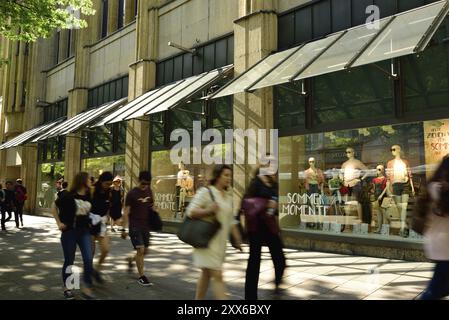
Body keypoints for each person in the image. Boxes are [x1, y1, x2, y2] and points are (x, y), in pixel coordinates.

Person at [186, 164, 242, 300]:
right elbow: (190, 211)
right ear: (218, 176)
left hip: (220, 244)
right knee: (217, 276)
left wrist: (237, 238)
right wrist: (208, 210)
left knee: (206, 274)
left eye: (230, 175)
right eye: (226, 175)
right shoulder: (206, 192)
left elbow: (230, 220)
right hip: (207, 241)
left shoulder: (228, 195)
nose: (229, 178)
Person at [242, 158, 286, 300]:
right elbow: (246, 203)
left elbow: (276, 207)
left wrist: (275, 208)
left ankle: (277, 286)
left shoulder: (274, 184)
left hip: (270, 226)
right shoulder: (256, 182)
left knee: (280, 260)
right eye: (269, 165)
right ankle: (250, 297)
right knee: (254, 261)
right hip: (256, 227)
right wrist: (266, 205)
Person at [51, 172, 95, 300]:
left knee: (88, 258)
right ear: (82, 181)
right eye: (88, 179)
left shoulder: (88, 196)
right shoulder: (68, 195)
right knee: (70, 260)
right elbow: (54, 207)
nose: (91, 181)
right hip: (70, 231)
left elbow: (90, 212)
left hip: (84, 231)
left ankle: (87, 287)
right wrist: (59, 223)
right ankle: (68, 287)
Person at [418, 157, 449, 300]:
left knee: (437, 287)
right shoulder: (440, 189)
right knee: (434, 290)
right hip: (445, 247)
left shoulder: (432, 186)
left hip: (437, 245)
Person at [121, 171, 155, 286]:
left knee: (144, 251)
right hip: (135, 226)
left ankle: (131, 260)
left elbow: (152, 205)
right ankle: (141, 276)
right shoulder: (131, 194)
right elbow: (126, 212)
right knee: (140, 250)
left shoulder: (149, 191)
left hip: (146, 226)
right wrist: (123, 229)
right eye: (143, 183)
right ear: (138, 180)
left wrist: (155, 213)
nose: (145, 186)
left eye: (147, 184)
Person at [90, 172, 113, 283]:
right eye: (107, 183)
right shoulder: (92, 189)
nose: (108, 186)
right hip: (90, 222)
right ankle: (88, 273)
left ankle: (97, 271)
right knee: (91, 251)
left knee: (105, 250)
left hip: (102, 223)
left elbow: (109, 205)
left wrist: (108, 216)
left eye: (110, 184)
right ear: (101, 181)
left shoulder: (109, 192)